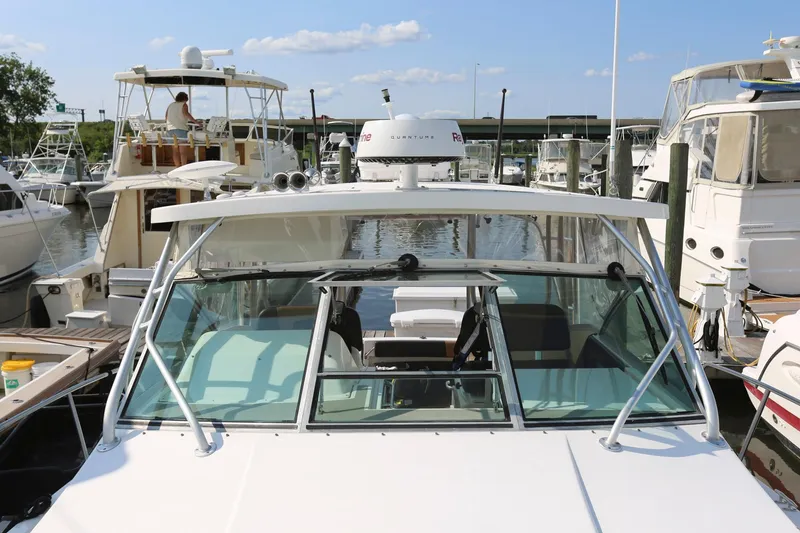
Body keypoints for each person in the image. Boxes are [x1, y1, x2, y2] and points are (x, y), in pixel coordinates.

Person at [165, 92, 202, 167]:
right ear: (185, 99)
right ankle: (183, 168)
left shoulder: (170, 105)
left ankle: (177, 168)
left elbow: (166, 117)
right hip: (180, 129)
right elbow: (186, 114)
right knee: (183, 151)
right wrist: (196, 122)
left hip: (170, 130)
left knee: (175, 151)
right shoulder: (184, 105)